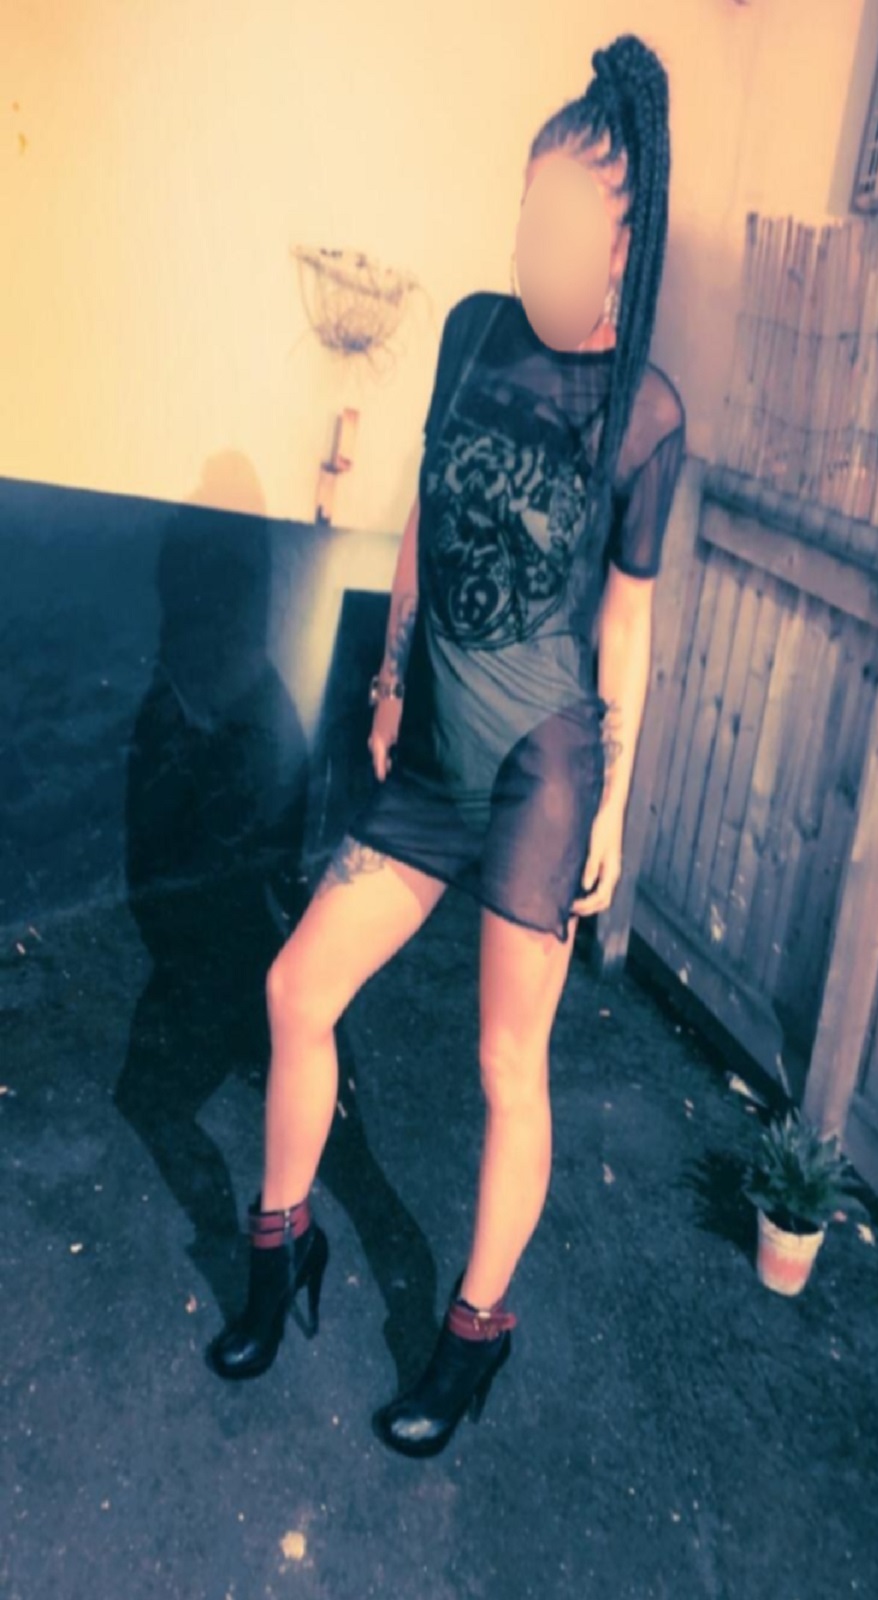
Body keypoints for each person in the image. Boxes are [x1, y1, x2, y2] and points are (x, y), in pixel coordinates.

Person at [207, 33, 685, 1459]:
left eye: (565, 229)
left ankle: (474, 1335)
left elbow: (627, 623)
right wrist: (390, 676)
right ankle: (280, 1246)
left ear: (623, 249)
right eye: (526, 216)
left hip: (545, 768)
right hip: (433, 754)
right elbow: (424, 510)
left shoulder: (647, 413)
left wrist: (612, 808)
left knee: (504, 1065)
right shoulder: (476, 328)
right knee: (298, 988)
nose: (532, 248)